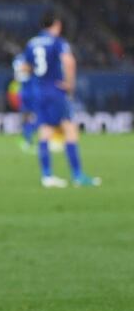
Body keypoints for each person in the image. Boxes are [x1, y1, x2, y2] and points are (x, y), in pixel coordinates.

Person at [22, 11, 101, 188]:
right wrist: (70, 83)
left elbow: (25, 67)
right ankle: (77, 175)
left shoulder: (32, 43)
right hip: (56, 90)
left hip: (39, 91)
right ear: (56, 24)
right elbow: (69, 61)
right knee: (70, 128)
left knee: (45, 129)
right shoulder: (58, 42)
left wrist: (37, 78)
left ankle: (47, 176)